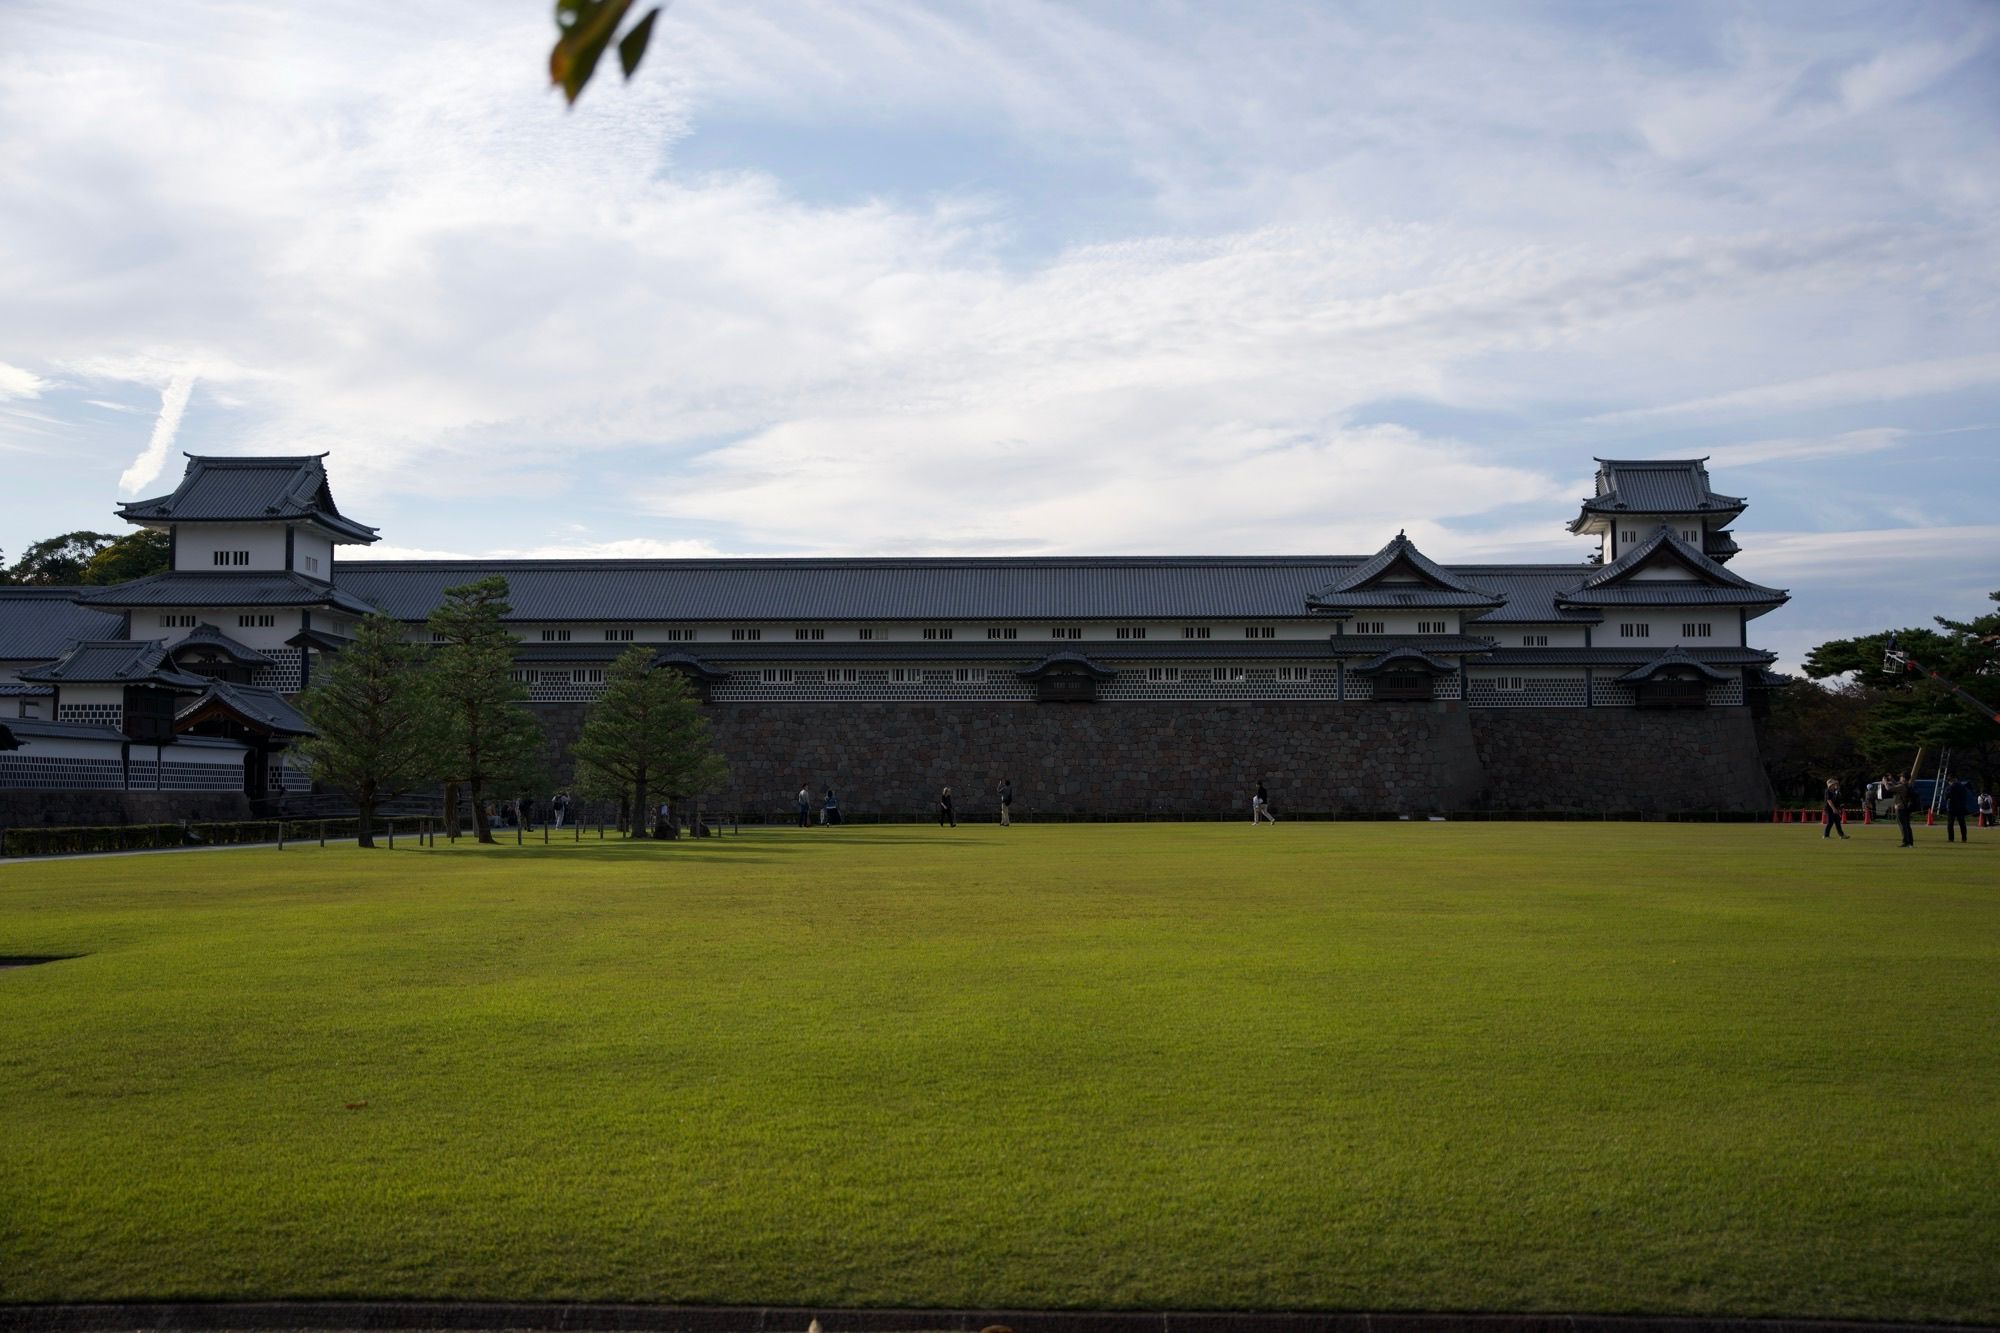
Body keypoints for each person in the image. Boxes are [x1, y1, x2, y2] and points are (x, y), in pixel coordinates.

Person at [1885, 773, 1915, 847]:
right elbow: (1897, 784)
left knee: (1902, 826)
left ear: (1904, 778)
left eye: (1901, 777)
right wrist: (1891, 779)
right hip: (1906, 808)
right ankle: (1910, 842)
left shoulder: (1902, 786)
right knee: (1907, 825)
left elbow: (1889, 789)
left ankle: (1905, 842)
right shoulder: (1908, 785)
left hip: (1900, 808)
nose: (1900, 778)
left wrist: (1885, 782)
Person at [1944, 776, 1972, 843]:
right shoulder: (1963, 787)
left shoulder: (1950, 787)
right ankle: (1964, 838)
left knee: (1950, 824)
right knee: (1962, 824)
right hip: (1961, 807)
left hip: (1952, 807)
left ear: (1950, 781)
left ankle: (1951, 839)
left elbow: (1946, 797)